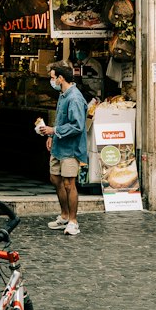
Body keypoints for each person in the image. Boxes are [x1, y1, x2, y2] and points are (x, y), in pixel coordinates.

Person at [38, 62, 87, 238]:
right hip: (59, 145)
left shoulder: (74, 98)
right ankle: (64, 215)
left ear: (60, 78)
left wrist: (54, 131)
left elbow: (78, 126)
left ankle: (73, 221)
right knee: (55, 179)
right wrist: (52, 135)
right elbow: (60, 119)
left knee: (69, 183)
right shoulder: (63, 95)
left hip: (71, 148)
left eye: (52, 77)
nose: (51, 80)